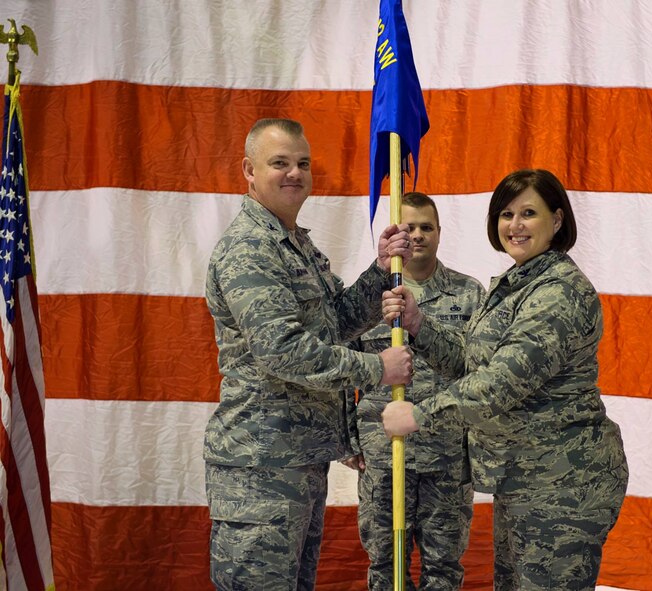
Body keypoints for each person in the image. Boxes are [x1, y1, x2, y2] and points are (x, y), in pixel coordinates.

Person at [381, 169, 629, 590]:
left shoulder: (558, 292)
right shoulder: (517, 284)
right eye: (506, 214)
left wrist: (418, 414)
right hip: (523, 480)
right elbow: (472, 362)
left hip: (563, 485)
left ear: (557, 219)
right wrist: (420, 324)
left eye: (528, 213)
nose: (515, 225)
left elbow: (502, 382)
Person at [203, 118, 414, 591]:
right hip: (260, 469)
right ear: (249, 170)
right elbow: (284, 351)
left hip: (297, 460)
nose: (294, 173)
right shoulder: (250, 250)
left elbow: (334, 322)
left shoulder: (294, 244)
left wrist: (380, 272)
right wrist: (376, 368)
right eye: (280, 163)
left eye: (302, 163)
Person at [352, 192, 485, 590]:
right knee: (384, 565)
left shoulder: (469, 294)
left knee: (443, 566)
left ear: (441, 233)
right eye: (408, 227)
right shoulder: (368, 296)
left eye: (427, 226)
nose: (417, 235)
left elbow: (478, 372)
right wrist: (347, 439)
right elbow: (346, 373)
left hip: (447, 455)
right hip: (383, 452)